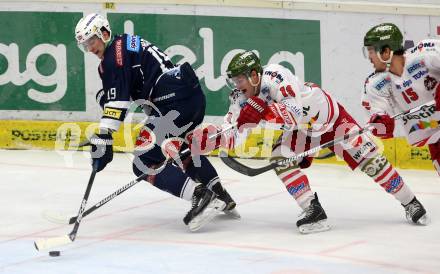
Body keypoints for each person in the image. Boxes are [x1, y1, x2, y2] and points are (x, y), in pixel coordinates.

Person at [218, 51, 429, 233]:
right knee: (280, 157)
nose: (237, 86)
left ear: (254, 75)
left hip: (331, 120)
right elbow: (233, 128)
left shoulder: (276, 75)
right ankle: (313, 209)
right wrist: (218, 138)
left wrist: (262, 112)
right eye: (234, 81)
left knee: (372, 162)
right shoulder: (241, 97)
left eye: (239, 80)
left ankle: (410, 201)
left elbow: (294, 112)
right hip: (302, 131)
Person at [74, 13, 239, 231]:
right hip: (189, 98)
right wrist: (107, 99)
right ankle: (218, 193)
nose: (90, 48)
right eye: (85, 45)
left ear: (104, 33)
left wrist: (104, 134)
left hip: (172, 103)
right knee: (179, 149)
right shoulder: (125, 43)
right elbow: (128, 89)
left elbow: (119, 100)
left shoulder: (114, 57)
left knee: (143, 160)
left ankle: (200, 195)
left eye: (91, 41)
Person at [362, 23, 440, 177]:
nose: (369, 57)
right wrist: (380, 122)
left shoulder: (425, 53)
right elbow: (379, 119)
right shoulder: (376, 84)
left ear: (385, 52)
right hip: (433, 134)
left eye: (371, 51)